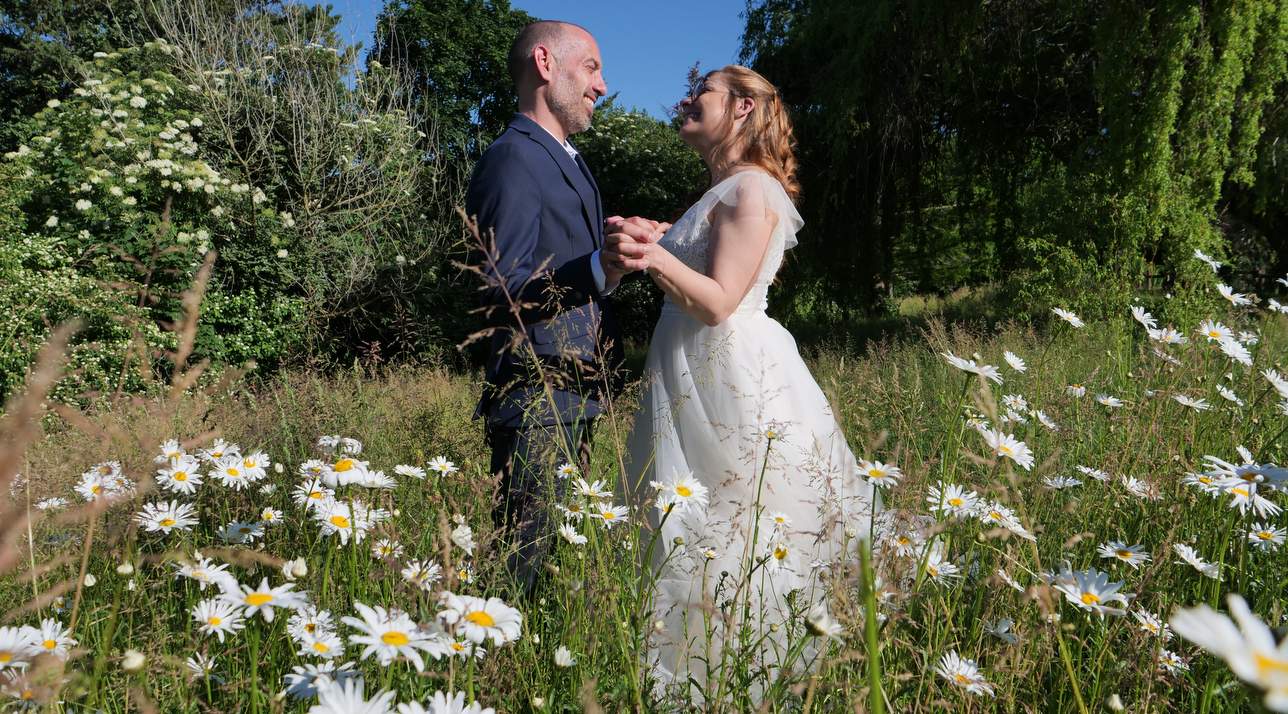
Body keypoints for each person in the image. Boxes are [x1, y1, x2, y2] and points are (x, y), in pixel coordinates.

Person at [604, 66, 878, 703]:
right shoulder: (724, 189)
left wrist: (654, 255)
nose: (686, 99)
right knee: (698, 520)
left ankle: (748, 672)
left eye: (702, 91)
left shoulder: (752, 188)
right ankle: (700, 668)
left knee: (735, 517)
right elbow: (704, 265)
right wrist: (659, 238)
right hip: (694, 371)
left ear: (743, 107)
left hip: (727, 376)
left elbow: (720, 300)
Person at [465, 20, 666, 595]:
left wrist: (614, 252)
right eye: (592, 67)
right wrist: (598, 264)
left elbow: (563, 265)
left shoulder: (567, 158)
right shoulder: (512, 158)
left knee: (546, 568)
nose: (601, 85)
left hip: (573, 393)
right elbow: (497, 291)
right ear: (545, 63)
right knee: (519, 573)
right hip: (536, 398)